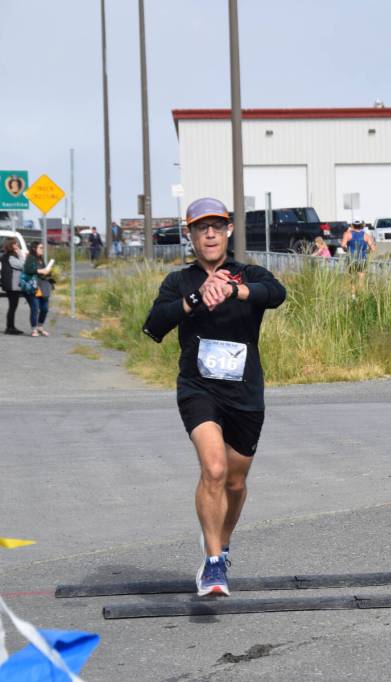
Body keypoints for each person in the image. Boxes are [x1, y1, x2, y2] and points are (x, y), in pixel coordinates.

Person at [143, 197, 286, 597]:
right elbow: (153, 326)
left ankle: (221, 546)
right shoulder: (178, 282)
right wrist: (193, 299)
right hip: (198, 388)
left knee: (236, 483)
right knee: (215, 469)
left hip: (244, 391)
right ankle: (211, 564)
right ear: (189, 235)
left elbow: (276, 294)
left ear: (228, 231)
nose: (209, 234)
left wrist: (235, 291)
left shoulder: (249, 273)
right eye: (200, 228)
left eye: (216, 227)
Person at [22, 241, 53, 337]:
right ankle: (34, 328)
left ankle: (40, 326)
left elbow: (42, 272)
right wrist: (41, 271)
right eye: (41, 247)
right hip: (33, 287)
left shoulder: (40, 259)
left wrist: (48, 272)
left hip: (43, 286)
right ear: (34, 248)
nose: (42, 249)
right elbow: (28, 269)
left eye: (43, 247)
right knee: (35, 308)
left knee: (45, 308)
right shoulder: (30, 258)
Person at [340, 220, 376, 291]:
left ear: (352, 225)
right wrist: (366, 251)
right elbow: (373, 249)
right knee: (361, 279)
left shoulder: (347, 234)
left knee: (352, 278)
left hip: (351, 258)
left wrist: (346, 249)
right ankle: (361, 296)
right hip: (362, 259)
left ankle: (353, 296)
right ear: (362, 225)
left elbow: (343, 245)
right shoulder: (366, 235)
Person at [0, 238, 24, 335]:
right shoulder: (11, 257)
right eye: (15, 244)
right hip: (13, 285)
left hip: (10, 284)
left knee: (12, 307)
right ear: (12, 245)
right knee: (13, 307)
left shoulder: (6, 256)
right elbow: (23, 265)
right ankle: (10, 328)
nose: (17, 245)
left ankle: (11, 326)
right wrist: (20, 253)